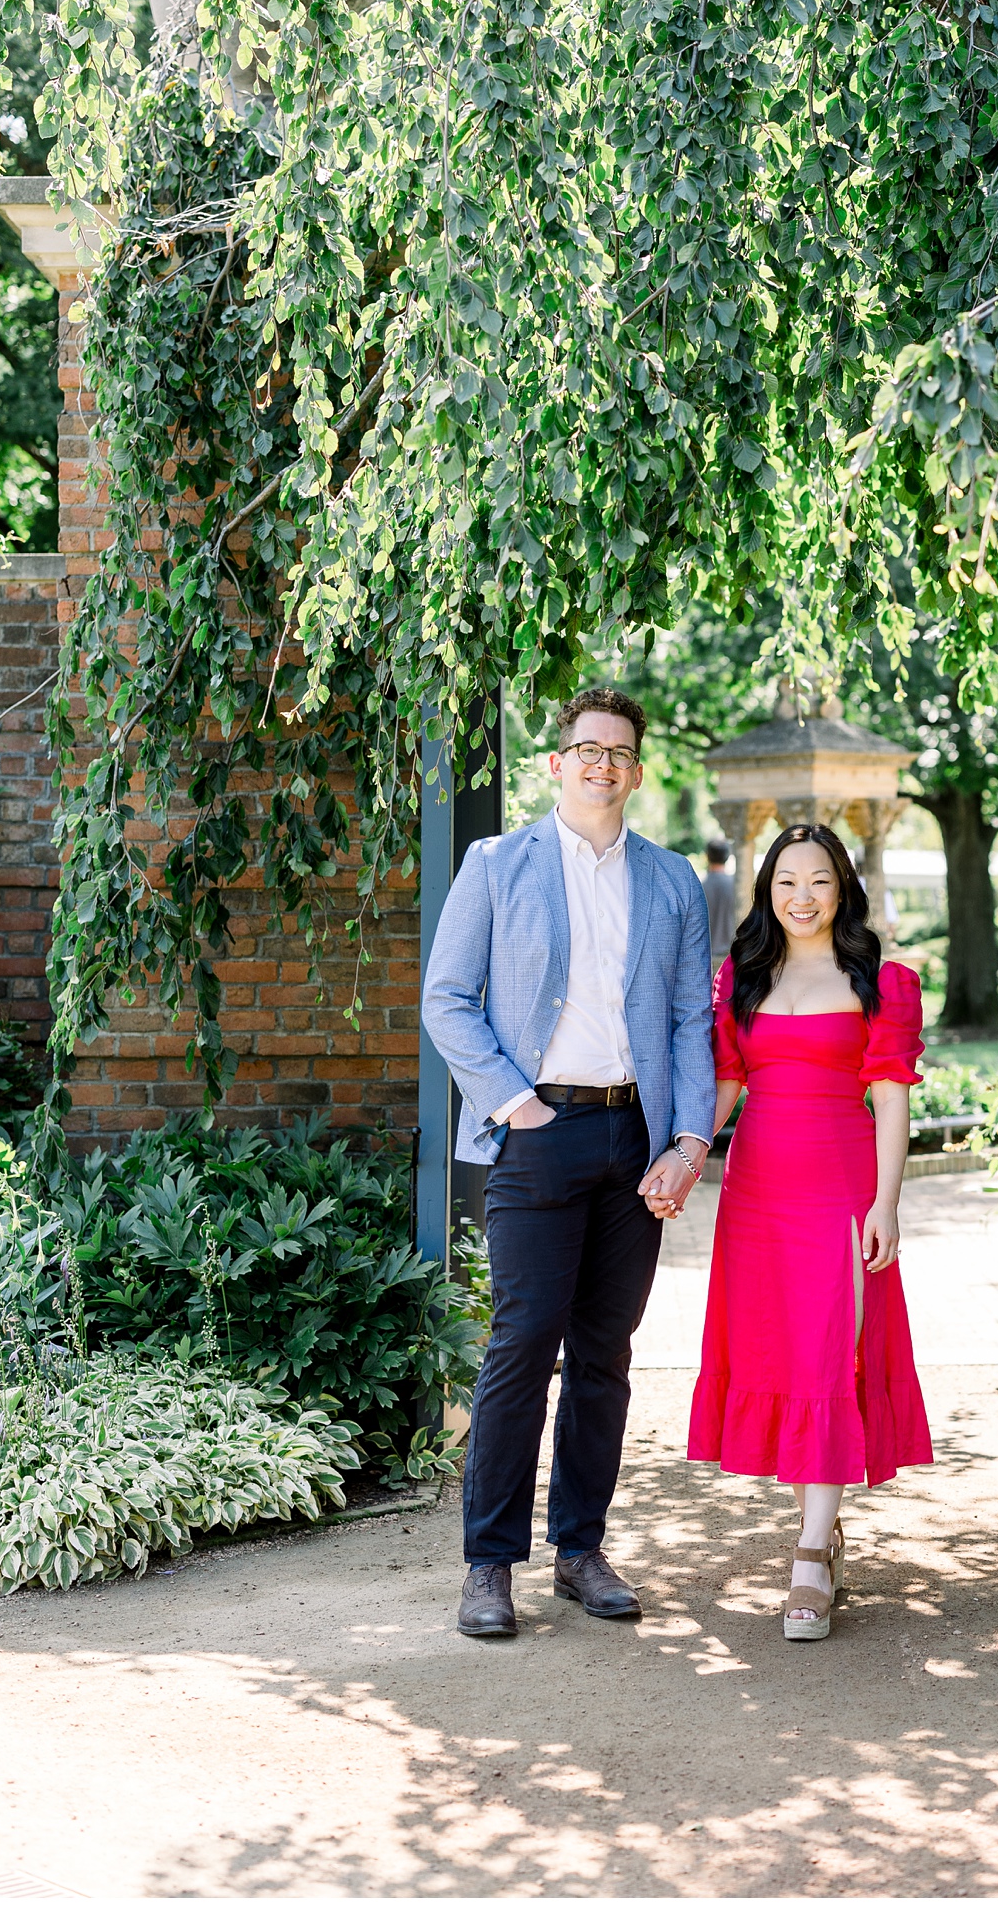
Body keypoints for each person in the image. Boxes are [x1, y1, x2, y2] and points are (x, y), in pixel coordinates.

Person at [422, 687, 715, 1639]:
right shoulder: (497, 864)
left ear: (636, 770)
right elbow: (447, 997)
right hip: (537, 1131)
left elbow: (687, 1022)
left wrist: (689, 1140)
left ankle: (580, 1548)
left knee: (605, 1355)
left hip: (636, 1139)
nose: (602, 765)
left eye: (619, 752)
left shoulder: (673, 882)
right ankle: (489, 1562)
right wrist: (515, 1102)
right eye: (586, 748)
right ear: (558, 763)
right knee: (520, 1346)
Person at [684, 823, 933, 1640]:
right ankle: (822, 1537)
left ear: (842, 888)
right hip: (757, 1190)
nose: (801, 896)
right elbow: (725, 1085)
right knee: (787, 1356)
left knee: (831, 1352)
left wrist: (886, 1203)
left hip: (841, 1184)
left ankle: (805, 1555)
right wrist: (681, 1163)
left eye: (818, 880)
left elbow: (891, 1096)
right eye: (785, 880)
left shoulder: (882, 981)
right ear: (765, 891)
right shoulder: (740, 979)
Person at [702, 837, 736, 967]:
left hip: (707, 958)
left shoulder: (699, 886)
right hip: (732, 957)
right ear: (727, 856)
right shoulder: (737, 887)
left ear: (707, 856)